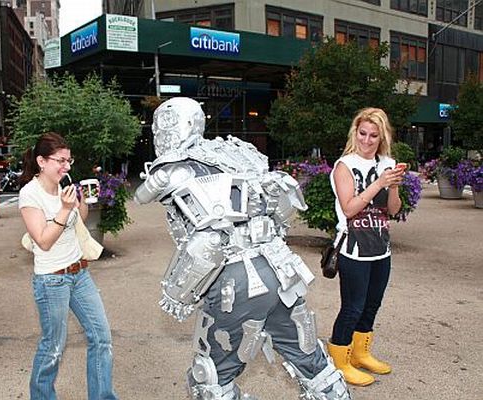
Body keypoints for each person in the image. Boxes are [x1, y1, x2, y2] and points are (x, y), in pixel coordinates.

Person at [134, 98, 350, 400]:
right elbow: (278, 210)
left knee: (210, 381)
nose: (160, 133)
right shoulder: (237, 154)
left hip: (235, 281)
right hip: (279, 271)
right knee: (311, 362)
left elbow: (206, 241)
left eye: (163, 126)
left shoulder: (174, 168)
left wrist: (177, 294)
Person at [18, 132, 118, 400]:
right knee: (53, 347)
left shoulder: (66, 186)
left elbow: (80, 220)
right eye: (60, 160)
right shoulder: (30, 195)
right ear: (41, 161)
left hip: (79, 273)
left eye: (69, 161)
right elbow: (43, 241)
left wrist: (79, 203)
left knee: (101, 338)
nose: (66, 166)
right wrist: (63, 209)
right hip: (52, 281)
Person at [327, 107, 405, 386]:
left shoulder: (388, 162)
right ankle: (339, 360)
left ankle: (360, 354)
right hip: (353, 249)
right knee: (352, 307)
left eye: (374, 135)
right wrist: (379, 183)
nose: (368, 140)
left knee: (372, 305)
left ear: (382, 136)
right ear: (355, 133)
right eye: (363, 133)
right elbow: (349, 209)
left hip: (381, 247)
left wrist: (393, 185)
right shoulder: (344, 166)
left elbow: (393, 210)